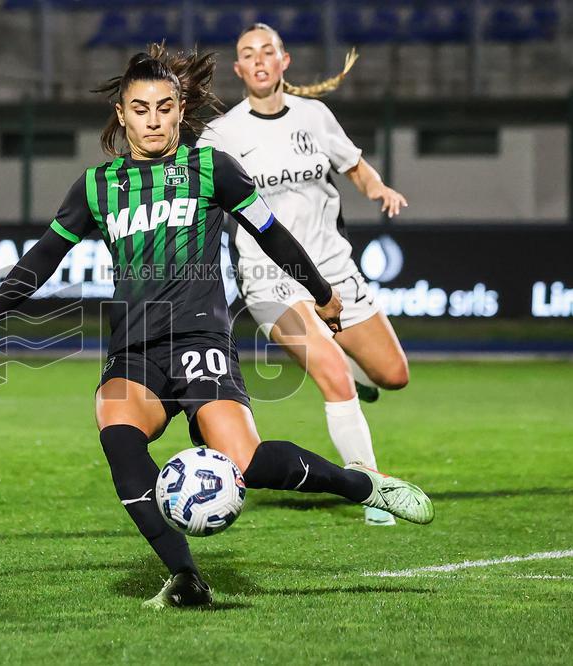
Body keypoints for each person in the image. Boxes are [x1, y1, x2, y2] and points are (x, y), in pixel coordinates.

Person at [0, 46, 432, 610]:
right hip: (133, 349)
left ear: (181, 111)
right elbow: (41, 259)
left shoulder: (211, 169)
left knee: (249, 464)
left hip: (200, 340)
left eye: (163, 107)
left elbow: (272, 234)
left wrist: (325, 296)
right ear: (121, 112)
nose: (152, 119)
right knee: (118, 435)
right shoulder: (98, 186)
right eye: (140, 108)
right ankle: (185, 576)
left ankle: (363, 484)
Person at [197, 24, 412, 526]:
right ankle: (372, 488)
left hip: (334, 269)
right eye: (247, 54)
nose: (258, 60)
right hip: (269, 280)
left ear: (284, 60)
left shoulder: (315, 116)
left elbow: (354, 164)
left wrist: (378, 188)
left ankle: (358, 374)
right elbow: (193, 177)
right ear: (238, 69)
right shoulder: (225, 133)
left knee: (394, 375)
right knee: (334, 377)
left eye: (266, 51)